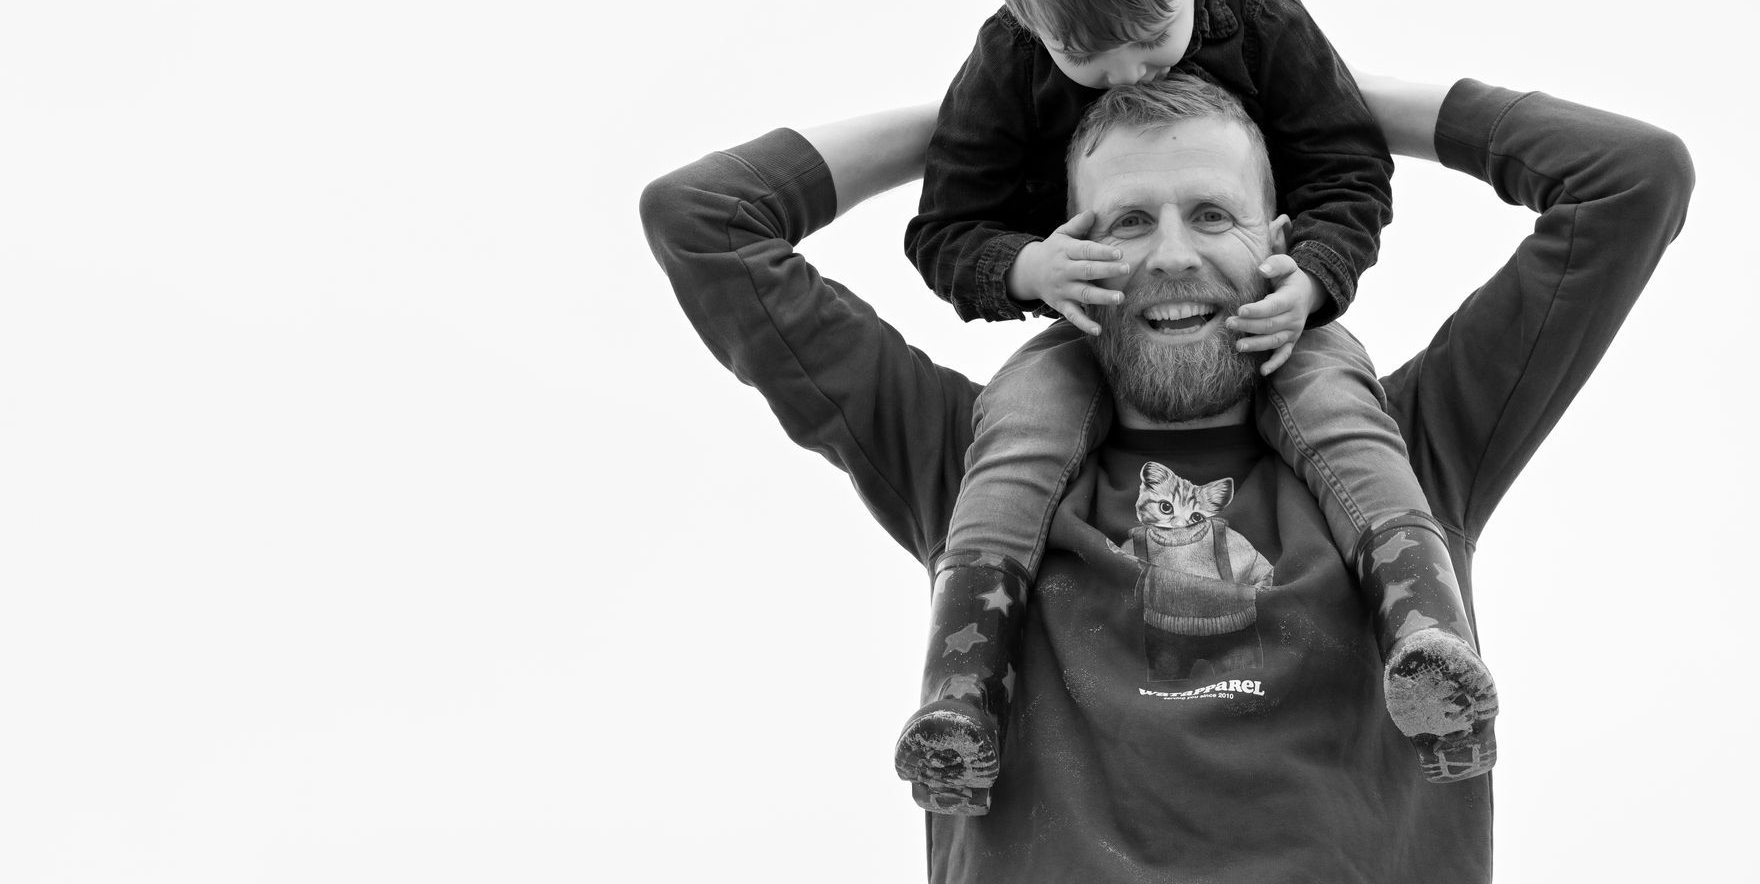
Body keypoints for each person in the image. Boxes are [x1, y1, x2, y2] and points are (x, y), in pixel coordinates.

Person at [639, 72, 1689, 882]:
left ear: (1283, 245)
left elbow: (1633, 179)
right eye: (1128, 221)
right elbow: (703, 220)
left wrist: (1321, 96)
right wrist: (981, 123)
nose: (1174, 254)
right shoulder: (975, 466)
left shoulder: (1409, 450)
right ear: (1065, 254)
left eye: (1214, 214)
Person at [899, 0, 1483, 813]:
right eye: (1087, 58)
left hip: (1267, 310)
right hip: (1097, 324)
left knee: (1342, 409)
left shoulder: (1257, 12)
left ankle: (1428, 637)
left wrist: (1313, 280)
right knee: (1018, 428)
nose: (1132, 74)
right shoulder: (1006, 60)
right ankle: (962, 691)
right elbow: (945, 227)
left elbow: (1348, 164)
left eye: (1152, 38)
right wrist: (1028, 265)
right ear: (1027, 21)